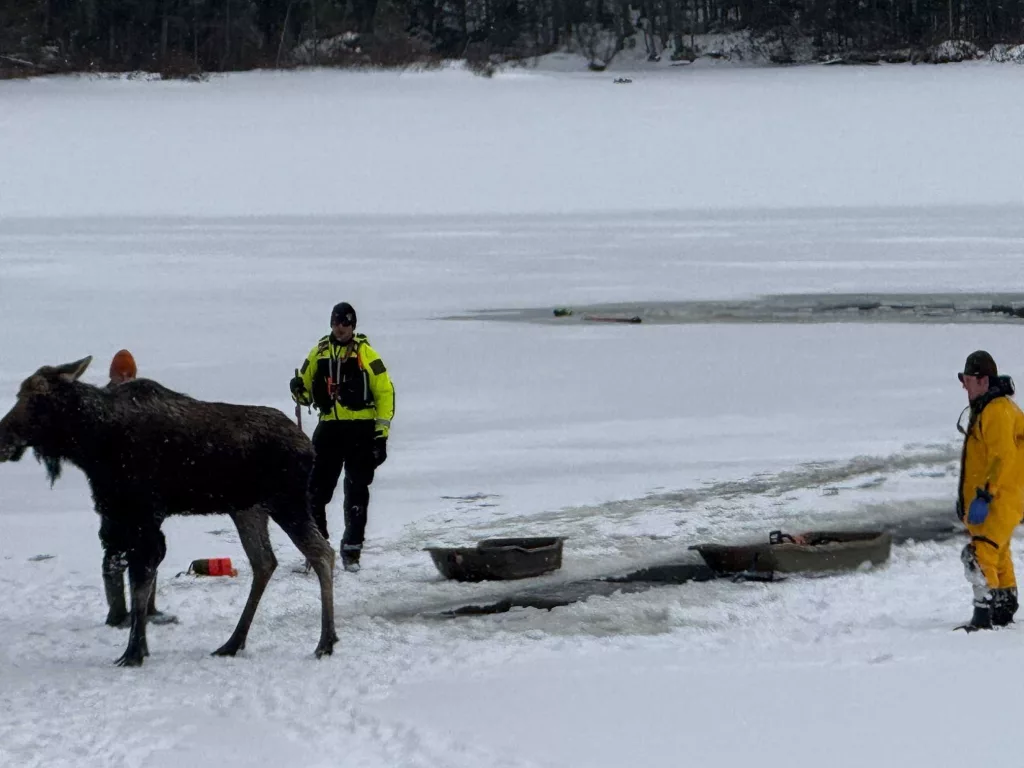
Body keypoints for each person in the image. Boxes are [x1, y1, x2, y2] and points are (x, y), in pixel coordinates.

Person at [291, 303, 395, 572]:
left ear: (353, 326)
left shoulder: (366, 354)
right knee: (314, 490)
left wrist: (380, 436)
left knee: (357, 490)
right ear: (331, 324)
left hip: (361, 430)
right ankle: (317, 547)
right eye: (337, 322)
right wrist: (298, 390)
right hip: (329, 429)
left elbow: (385, 393)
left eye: (346, 323)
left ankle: (352, 551)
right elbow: (305, 394)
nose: (341, 328)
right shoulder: (319, 353)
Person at [101, 350, 175, 626]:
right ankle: (117, 613)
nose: (124, 377)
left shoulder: (144, 402)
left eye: (128, 373)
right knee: (114, 548)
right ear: (111, 374)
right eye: (119, 372)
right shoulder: (101, 404)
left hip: (144, 488)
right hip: (112, 490)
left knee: (148, 544)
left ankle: (147, 608)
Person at [955, 350, 1024, 631]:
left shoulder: (996, 411)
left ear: (983, 381)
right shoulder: (998, 408)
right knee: (999, 552)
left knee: (979, 554)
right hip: (1008, 498)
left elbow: (1002, 457)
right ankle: (1004, 608)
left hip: (997, 499)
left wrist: (985, 494)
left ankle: (983, 617)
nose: (964, 385)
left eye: (968, 379)